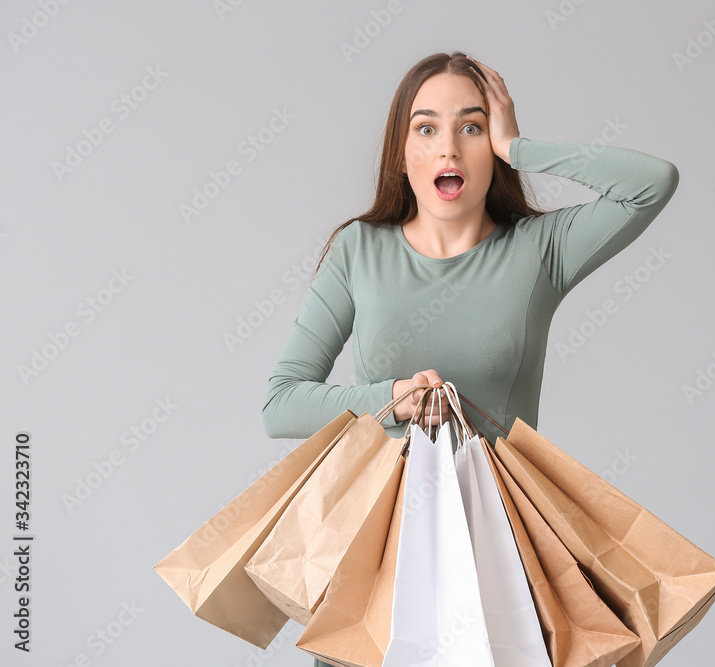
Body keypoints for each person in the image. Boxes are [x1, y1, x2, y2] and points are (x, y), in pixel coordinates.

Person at [260, 50, 678, 664]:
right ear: (402, 153)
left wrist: (522, 146)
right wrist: (390, 400)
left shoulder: (540, 250)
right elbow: (281, 404)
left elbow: (653, 183)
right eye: (426, 128)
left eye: (472, 127)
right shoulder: (359, 251)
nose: (448, 148)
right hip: (379, 561)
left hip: (506, 557)